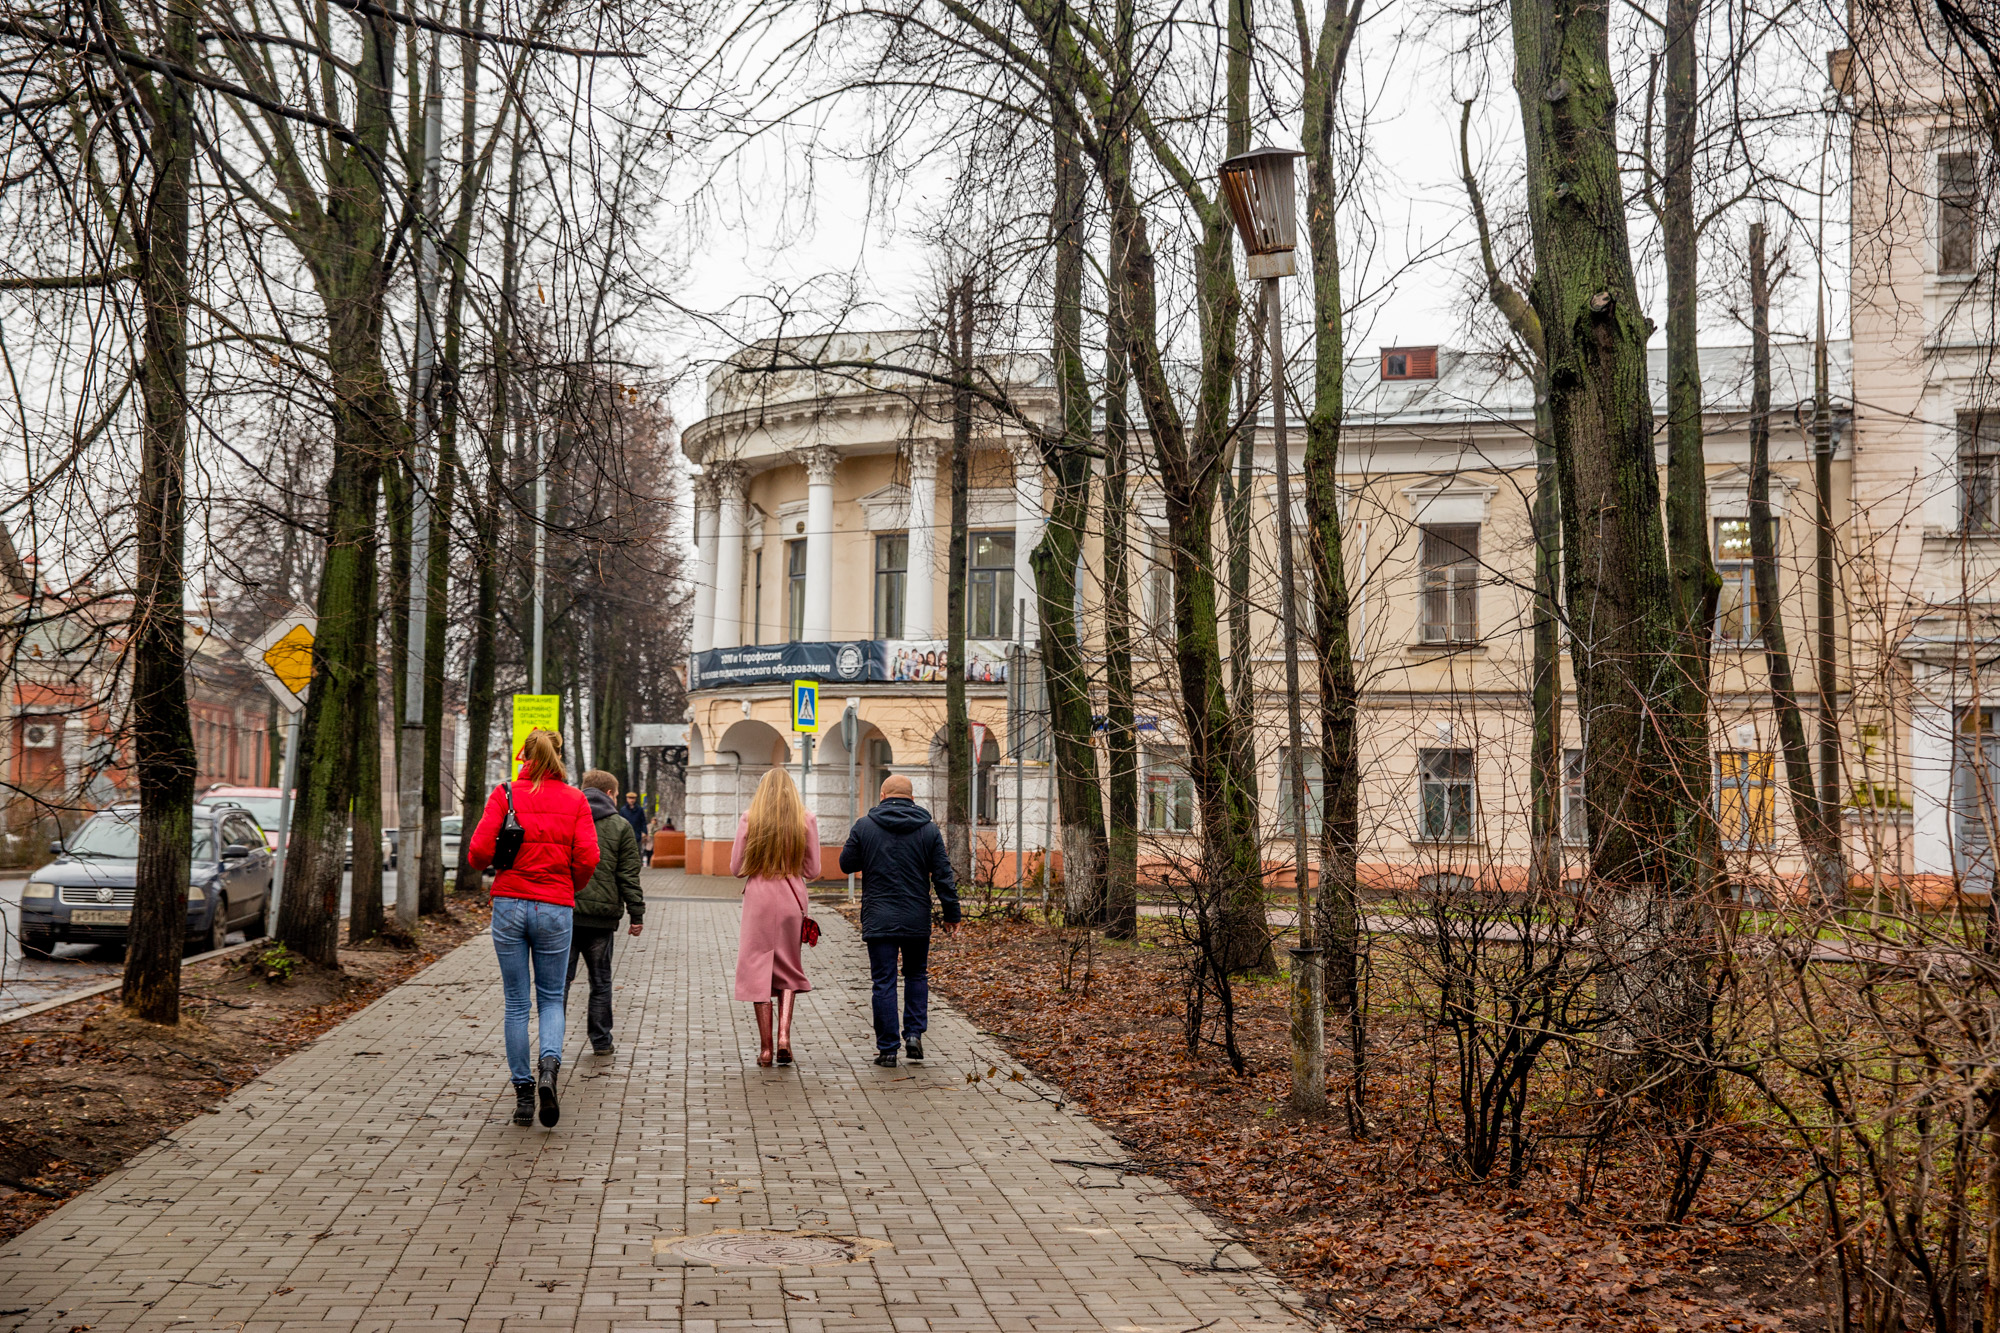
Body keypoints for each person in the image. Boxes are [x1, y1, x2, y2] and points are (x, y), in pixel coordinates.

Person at [467, 729, 600, 1129]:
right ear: (559, 755)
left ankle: (524, 1093)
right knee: (552, 997)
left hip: (509, 903)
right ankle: (549, 1070)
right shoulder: (576, 799)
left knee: (515, 1002)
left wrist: (494, 867)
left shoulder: (505, 793)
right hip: (555, 907)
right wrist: (568, 885)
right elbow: (589, 855)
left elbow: (477, 851)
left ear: (523, 756)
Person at [838, 773, 959, 1068]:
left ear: (882, 795)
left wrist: (869, 851)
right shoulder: (928, 831)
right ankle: (914, 1035)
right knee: (916, 975)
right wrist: (952, 913)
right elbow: (943, 874)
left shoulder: (865, 827)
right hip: (916, 916)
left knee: (884, 981)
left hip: (879, 917)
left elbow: (846, 864)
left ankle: (888, 1049)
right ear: (912, 798)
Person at [731, 768, 819, 1068]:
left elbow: (736, 868)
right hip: (792, 895)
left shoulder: (749, 818)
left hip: (759, 898)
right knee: (788, 966)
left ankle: (766, 1050)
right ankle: (784, 1038)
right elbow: (813, 870)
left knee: (758, 966)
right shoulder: (805, 819)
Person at [569, 770, 646, 1057]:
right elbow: (629, 875)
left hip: (565, 914)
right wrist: (636, 914)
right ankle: (601, 1042)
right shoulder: (620, 826)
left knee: (558, 984)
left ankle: (552, 1043)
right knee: (600, 982)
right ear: (612, 794)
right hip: (601, 920)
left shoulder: (568, 818)